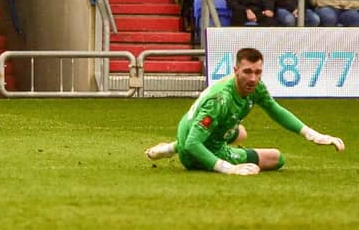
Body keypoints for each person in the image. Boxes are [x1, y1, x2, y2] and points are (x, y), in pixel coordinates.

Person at [145, 47, 345, 175]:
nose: (253, 78)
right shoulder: (220, 100)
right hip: (195, 151)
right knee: (277, 158)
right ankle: (180, 148)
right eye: (247, 72)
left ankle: (172, 146)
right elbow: (192, 145)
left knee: (241, 132)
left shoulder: (255, 87)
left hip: (193, 131)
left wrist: (313, 135)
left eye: (258, 72)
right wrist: (228, 168)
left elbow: (275, 109)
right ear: (235, 70)